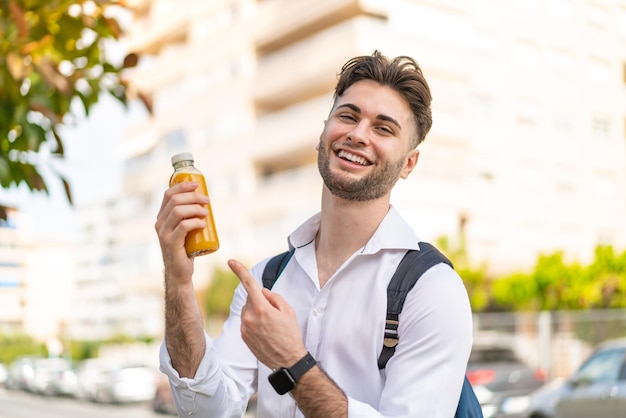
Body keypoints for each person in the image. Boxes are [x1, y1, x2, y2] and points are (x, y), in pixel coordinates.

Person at [155, 50, 473, 418]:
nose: (357, 134)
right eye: (347, 116)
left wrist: (291, 360)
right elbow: (206, 412)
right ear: (323, 132)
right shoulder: (265, 281)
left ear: (409, 163)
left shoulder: (431, 289)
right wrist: (178, 281)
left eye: (383, 128)